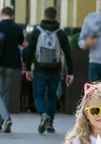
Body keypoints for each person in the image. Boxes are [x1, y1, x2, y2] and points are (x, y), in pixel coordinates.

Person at [25, 6, 74, 134]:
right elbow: (68, 54)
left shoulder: (36, 31)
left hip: (40, 69)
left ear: (44, 16)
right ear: (56, 16)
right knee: (52, 97)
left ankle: (43, 114)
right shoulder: (61, 33)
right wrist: (70, 73)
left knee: (38, 96)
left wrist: (28, 68)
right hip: (55, 70)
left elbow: (29, 51)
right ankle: (50, 124)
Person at [0, 6, 24, 133]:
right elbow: (21, 42)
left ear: (1, 14)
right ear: (13, 15)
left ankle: (6, 118)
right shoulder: (17, 28)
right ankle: (2, 121)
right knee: (5, 93)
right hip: (12, 63)